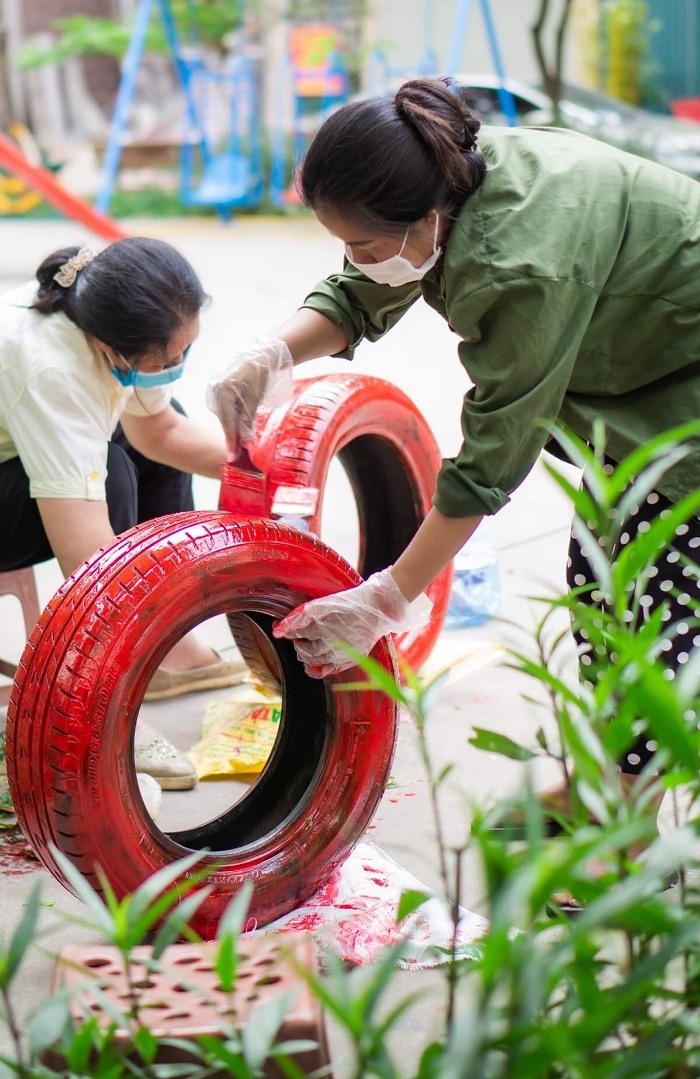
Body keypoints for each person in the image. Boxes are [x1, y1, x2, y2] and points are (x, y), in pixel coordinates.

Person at [208, 76, 700, 905]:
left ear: (426, 214)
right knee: (601, 591)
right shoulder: (450, 176)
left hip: (683, 403)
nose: (358, 260)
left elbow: (495, 455)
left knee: (655, 612)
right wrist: (272, 353)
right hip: (648, 379)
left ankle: (635, 839)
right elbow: (365, 286)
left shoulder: (520, 261)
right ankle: (609, 788)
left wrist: (389, 594)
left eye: (366, 243)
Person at [0, 237, 247, 789]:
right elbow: (88, 561)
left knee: (146, 433)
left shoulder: (97, 309)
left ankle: (170, 642)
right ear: (112, 346)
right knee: (111, 473)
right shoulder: (51, 370)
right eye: (164, 360)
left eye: (185, 351)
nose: (177, 366)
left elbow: (163, 433)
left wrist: (266, 469)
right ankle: (111, 708)